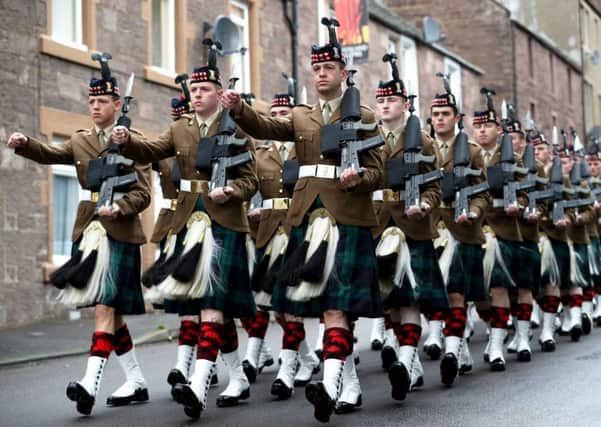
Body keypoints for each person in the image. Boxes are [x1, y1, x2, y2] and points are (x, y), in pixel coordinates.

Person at [221, 18, 384, 423]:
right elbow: (267, 126)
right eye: (316, 68)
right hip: (308, 219)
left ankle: (329, 388)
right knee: (329, 308)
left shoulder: (362, 114)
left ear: (344, 73)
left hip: (346, 216)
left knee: (338, 308)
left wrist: (359, 177)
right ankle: (347, 385)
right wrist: (241, 109)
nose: (321, 73)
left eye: (328, 67)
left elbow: (378, 170)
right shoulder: (301, 116)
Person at [113, 41, 258, 419]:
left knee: (211, 307)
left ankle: (196, 386)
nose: (197, 95)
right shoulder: (179, 128)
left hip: (224, 221)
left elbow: (252, 179)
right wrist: (129, 141)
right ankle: (238, 376)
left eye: (204, 90)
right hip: (187, 223)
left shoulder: (237, 128)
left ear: (218, 92)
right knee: (210, 310)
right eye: (193, 90)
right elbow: (152, 150)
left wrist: (233, 191)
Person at [7, 55, 152, 415]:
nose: (95, 107)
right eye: (91, 101)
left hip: (119, 231)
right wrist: (25, 143)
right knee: (111, 314)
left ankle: (89, 383)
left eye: (102, 101)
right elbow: (51, 153)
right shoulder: (82, 140)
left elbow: (144, 193)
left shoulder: (134, 142)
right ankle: (135, 380)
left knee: (104, 307)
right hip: (89, 230)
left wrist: (119, 207)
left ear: (117, 104)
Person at [372, 54, 445, 400]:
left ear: (405, 104)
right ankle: (409, 361)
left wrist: (426, 206)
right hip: (376, 226)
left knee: (411, 299)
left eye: (392, 100)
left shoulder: (424, 142)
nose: (385, 106)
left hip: (412, 225)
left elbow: (435, 186)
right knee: (389, 301)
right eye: (381, 100)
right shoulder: (366, 138)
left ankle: (403, 360)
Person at [429, 78, 490, 385]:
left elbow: (483, 193)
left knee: (456, 295)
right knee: (431, 297)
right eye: (435, 114)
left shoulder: (474, 152)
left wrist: (475, 212)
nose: (439, 119)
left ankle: (451, 352)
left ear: (456, 118)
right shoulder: (421, 148)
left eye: (445, 113)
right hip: (429, 230)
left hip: (462, 230)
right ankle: (460, 347)